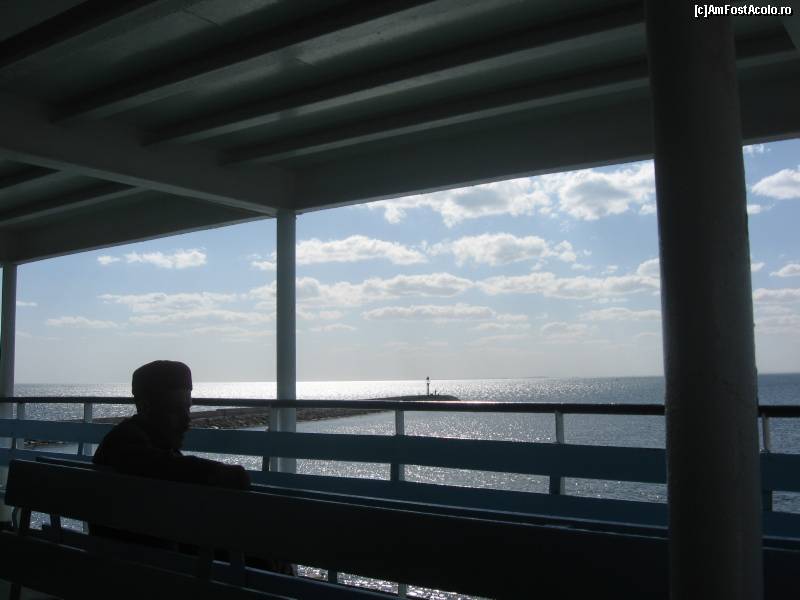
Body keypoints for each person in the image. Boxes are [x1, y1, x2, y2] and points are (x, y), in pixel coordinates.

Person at [93, 360, 294, 575]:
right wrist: (223, 474)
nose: (186, 420)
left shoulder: (125, 446)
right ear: (145, 407)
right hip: (164, 578)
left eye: (187, 409)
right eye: (175, 410)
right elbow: (161, 466)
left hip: (123, 574)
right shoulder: (131, 450)